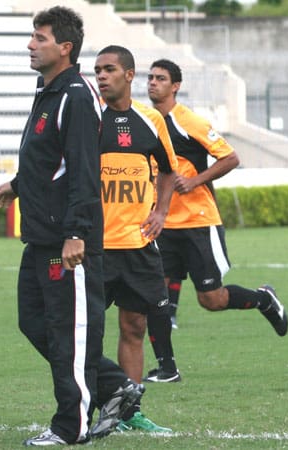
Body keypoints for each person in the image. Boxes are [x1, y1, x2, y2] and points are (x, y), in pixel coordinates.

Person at [0, 8, 144, 446]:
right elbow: (49, 158)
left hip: (66, 240)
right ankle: (116, 385)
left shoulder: (76, 95)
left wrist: (76, 232)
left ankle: (70, 426)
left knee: (70, 331)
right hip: (40, 236)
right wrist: (19, 185)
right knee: (34, 321)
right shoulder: (50, 91)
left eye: (38, 37)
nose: (30, 44)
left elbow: (82, 170)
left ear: (65, 47)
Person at [146, 58, 288, 350]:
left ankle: (264, 299)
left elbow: (231, 157)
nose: (152, 83)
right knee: (155, 291)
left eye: (160, 78)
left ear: (175, 86)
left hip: (198, 221)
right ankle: (166, 367)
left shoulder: (189, 121)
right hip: (163, 222)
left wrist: (196, 180)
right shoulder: (147, 122)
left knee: (211, 300)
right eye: (150, 78)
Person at [93, 45, 179, 431]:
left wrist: (160, 211)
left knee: (134, 328)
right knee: (87, 333)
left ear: (129, 75)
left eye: (109, 69)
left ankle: (130, 412)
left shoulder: (150, 119)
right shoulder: (89, 118)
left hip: (138, 244)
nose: (101, 76)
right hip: (94, 248)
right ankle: (96, 406)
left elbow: (167, 171)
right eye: (97, 70)